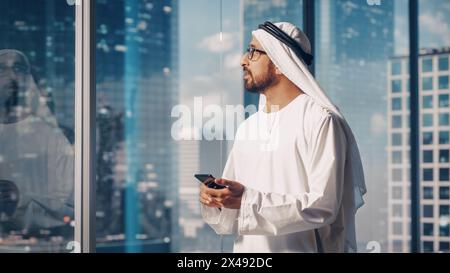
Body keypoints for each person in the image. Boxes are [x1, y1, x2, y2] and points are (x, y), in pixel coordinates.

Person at [199, 22, 366, 253]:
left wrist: (245, 200)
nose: (243, 60)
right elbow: (234, 214)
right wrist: (217, 198)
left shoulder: (320, 120)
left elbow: (323, 206)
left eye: (253, 51)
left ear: (280, 62)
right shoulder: (248, 127)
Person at [0, 49, 74, 238]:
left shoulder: (51, 138)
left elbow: (72, 209)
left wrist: (20, 201)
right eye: (1, 68)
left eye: (18, 68)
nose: (11, 76)